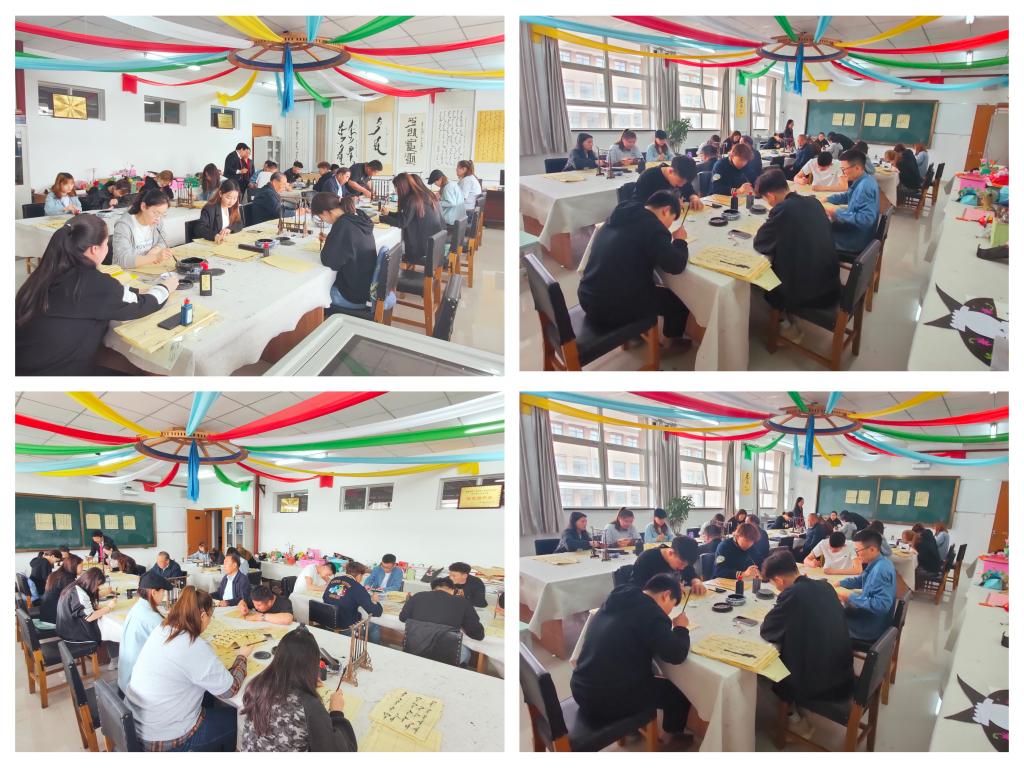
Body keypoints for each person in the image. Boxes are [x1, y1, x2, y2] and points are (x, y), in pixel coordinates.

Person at [571, 574, 693, 745]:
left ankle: (633, 728)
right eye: (671, 606)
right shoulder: (652, 614)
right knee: (680, 690)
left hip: (580, 687)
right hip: (606, 700)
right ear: (666, 595)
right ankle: (674, 738)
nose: (668, 612)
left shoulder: (618, 596)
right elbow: (676, 654)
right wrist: (681, 628)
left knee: (633, 670)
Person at [127, 587, 248, 751]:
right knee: (240, 721)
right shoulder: (193, 646)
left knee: (209, 698)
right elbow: (230, 690)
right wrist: (242, 657)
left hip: (140, 725)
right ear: (203, 616)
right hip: (167, 738)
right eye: (210, 616)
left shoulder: (163, 629)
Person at [578, 191, 692, 348]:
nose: (669, 226)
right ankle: (671, 344)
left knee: (638, 282)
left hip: (588, 295)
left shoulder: (621, 213)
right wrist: (680, 241)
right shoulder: (653, 227)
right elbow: (675, 265)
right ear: (666, 210)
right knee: (678, 302)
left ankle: (636, 332)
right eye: (671, 220)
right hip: (609, 308)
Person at [760, 549, 854, 739]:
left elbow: (768, 630)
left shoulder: (792, 594)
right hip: (843, 671)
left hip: (821, 683)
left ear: (778, 580)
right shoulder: (825, 586)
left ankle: (794, 719)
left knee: (766, 671)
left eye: (773, 583)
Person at [753, 169, 841, 342]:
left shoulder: (783, 210)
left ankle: (786, 326)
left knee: (760, 281)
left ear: (770, 196)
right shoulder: (813, 202)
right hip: (831, 281)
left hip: (810, 292)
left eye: (765, 199)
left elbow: (761, 242)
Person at [240, 626, 357, 751]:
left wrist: (305, 682)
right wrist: (336, 712)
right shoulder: (308, 706)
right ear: (312, 665)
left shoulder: (256, 686)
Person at [309, 193, 380, 313]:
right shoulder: (358, 216)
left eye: (321, 217)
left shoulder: (343, 224)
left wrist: (332, 240)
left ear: (326, 212)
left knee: (313, 293)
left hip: (353, 295)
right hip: (365, 286)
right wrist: (334, 239)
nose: (323, 220)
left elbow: (329, 261)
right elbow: (351, 243)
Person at [399, 576, 485, 665]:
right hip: (446, 655)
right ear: (452, 590)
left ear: (432, 589)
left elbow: (403, 618)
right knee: (466, 653)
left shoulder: (418, 596)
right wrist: (463, 626)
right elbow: (478, 635)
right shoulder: (463, 602)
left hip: (415, 648)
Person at [837, 529, 896, 641]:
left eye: (858, 550)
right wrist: (840, 583)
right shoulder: (879, 562)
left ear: (872, 549)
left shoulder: (881, 570)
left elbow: (881, 606)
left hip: (870, 627)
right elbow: (862, 579)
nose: (856, 554)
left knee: (826, 621)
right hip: (872, 619)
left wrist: (850, 597)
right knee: (836, 612)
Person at [118, 571, 171, 691]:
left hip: (126, 677)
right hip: (137, 686)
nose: (163, 596)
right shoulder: (153, 619)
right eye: (162, 592)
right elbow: (171, 645)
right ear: (153, 592)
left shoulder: (137, 607)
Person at [380, 172, 445, 267]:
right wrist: (389, 214)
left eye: (396, 187)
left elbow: (402, 223)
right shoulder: (424, 195)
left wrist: (381, 218)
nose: (395, 190)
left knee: (391, 254)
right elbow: (406, 216)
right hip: (434, 245)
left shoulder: (413, 199)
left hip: (422, 250)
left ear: (402, 187)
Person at [825, 150, 880, 254]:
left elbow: (866, 219)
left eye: (844, 169)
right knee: (823, 226)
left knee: (815, 234)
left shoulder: (865, 187)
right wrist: (828, 199)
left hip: (856, 239)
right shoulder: (864, 179)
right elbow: (848, 195)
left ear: (857, 168)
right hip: (859, 232)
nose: (843, 173)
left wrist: (836, 212)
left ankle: (824, 262)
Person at [56, 566, 116, 659]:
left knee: (106, 622)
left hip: (66, 628)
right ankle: (114, 659)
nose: (97, 588)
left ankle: (113, 657)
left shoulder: (75, 586)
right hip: (73, 634)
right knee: (111, 628)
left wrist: (97, 606)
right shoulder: (78, 593)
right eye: (97, 585)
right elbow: (89, 617)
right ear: (91, 582)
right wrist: (108, 607)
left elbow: (84, 602)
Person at [110, 188, 175, 268]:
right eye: (155, 213)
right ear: (143, 206)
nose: (158, 218)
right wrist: (154, 257)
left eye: (163, 214)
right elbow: (122, 260)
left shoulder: (157, 219)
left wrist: (155, 250)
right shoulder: (123, 225)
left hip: (147, 268)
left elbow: (163, 240)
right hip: (126, 271)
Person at [631, 535, 707, 595]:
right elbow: (638, 587)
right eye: (681, 564)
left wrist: (696, 581)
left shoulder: (684, 558)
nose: (683, 568)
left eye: (686, 565)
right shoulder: (647, 559)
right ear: (671, 553)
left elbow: (691, 574)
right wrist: (668, 588)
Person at [322, 561, 382, 629]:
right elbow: (376, 612)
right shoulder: (358, 587)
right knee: (375, 627)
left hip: (328, 622)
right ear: (359, 575)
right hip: (347, 627)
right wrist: (375, 601)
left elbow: (324, 597)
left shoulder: (334, 580)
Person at [633, 155, 704, 211]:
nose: (681, 185)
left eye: (685, 183)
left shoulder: (682, 176)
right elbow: (639, 204)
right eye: (680, 182)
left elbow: (689, 190)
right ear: (670, 171)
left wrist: (693, 197)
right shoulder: (648, 177)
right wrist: (669, 204)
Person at [194, 179, 243, 243]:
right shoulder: (210, 208)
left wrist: (229, 228)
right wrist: (214, 236)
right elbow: (199, 228)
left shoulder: (232, 206)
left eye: (235, 198)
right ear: (220, 194)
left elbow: (239, 223)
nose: (231, 201)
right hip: (213, 244)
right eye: (228, 198)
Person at [40, 554, 82, 624]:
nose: (82, 569)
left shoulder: (56, 574)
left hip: (46, 614)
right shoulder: (67, 579)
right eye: (81, 566)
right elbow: (76, 598)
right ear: (73, 566)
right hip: (56, 618)